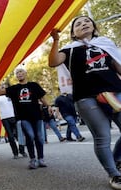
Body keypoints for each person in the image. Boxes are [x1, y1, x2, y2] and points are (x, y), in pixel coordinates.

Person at [49, 15, 121, 189]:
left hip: (116, 93)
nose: (83, 24)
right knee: (103, 137)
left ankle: (116, 159)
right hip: (87, 98)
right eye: (78, 24)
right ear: (73, 33)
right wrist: (56, 40)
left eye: (87, 21)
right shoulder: (69, 49)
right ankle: (114, 175)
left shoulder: (105, 44)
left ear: (94, 26)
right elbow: (53, 62)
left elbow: (117, 66)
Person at [6, 67, 49, 169]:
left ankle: (40, 159)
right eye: (17, 73)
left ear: (25, 73)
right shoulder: (14, 89)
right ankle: (32, 159)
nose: (19, 74)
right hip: (23, 117)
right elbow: (0, 91)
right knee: (30, 136)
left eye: (21, 72)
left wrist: (49, 106)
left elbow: (42, 98)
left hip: (37, 116)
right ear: (16, 76)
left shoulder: (34, 85)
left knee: (39, 137)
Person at [0, 84, 27, 159]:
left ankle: (22, 151)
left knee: (18, 135)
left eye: (4, 86)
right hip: (5, 119)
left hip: (14, 117)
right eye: (1, 87)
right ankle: (15, 153)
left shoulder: (11, 95)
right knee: (10, 137)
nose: (3, 87)